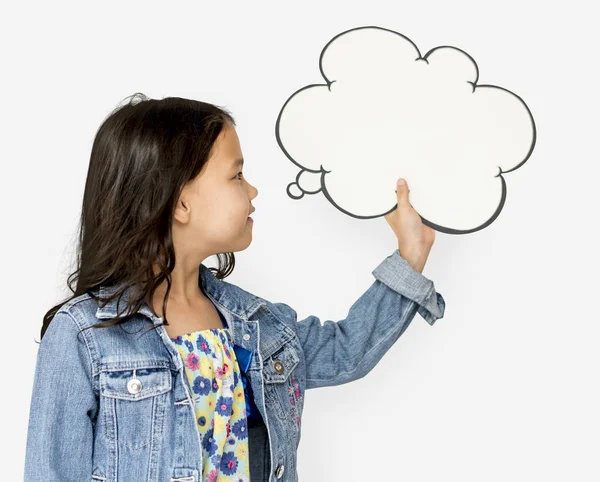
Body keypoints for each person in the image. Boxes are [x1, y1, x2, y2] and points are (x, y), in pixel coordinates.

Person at [23, 93, 446, 482]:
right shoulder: (83, 337)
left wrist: (411, 254)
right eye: (237, 176)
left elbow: (345, 350)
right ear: (180, 202)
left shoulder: (257, 326)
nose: (253, 190)